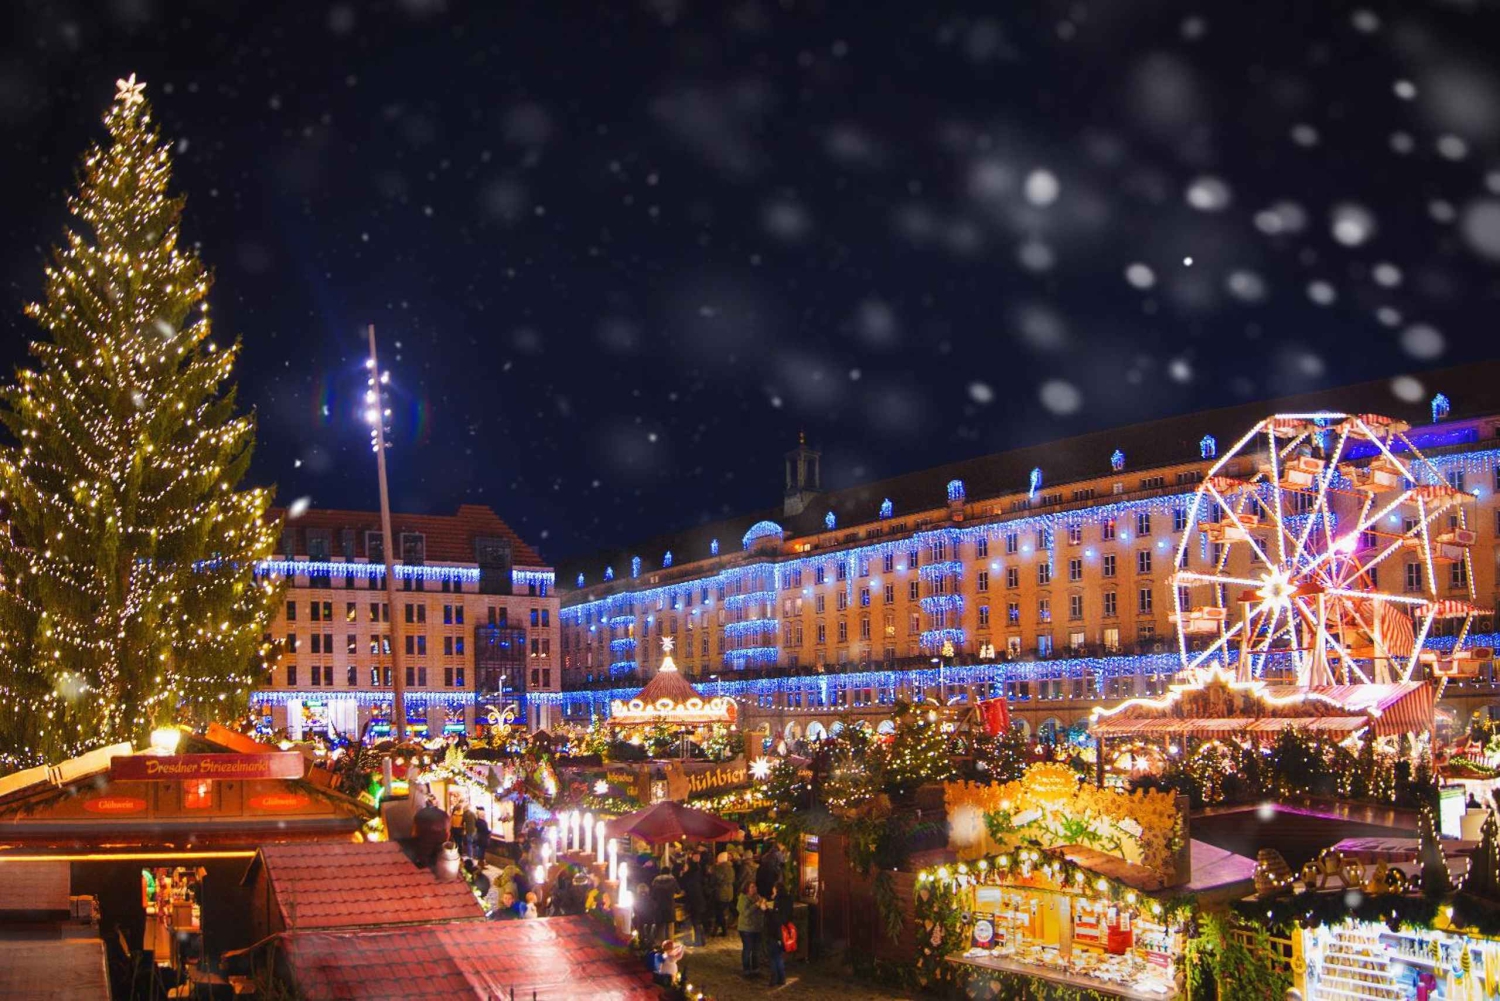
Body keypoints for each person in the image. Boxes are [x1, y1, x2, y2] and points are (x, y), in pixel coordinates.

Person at [649, 865, 682, 945]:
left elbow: (652, 895)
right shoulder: (672, 880)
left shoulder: (655, 881)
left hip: (658, 906)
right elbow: (678, 891)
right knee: (669, 927)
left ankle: (660, 945)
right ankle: (669, 945)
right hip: (669, 905)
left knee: (660, 927)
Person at [680, 854, 707, 947]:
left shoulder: (688, 876)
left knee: (695, 922)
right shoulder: (696, 874)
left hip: (694, 901)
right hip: (700, 900)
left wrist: (682, 875)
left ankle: (698, 941)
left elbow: (683, 886)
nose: (684, 867)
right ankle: (702, 940)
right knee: (698, 921)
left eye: (685, 865)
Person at [736, 883, 763, 976]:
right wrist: (756, 905)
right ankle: (746, 969)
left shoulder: (758, 897)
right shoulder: (743, 898)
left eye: (755, 886)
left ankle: (755, 968)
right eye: (752, 887)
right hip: (746, 928)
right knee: (747, 949)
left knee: (756, 949)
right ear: (747, 889)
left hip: (756, 927)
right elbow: (745, 913)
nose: (754, 888)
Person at [764, 883, 788, 988]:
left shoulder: (779, 902)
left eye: (774, 890)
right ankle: (782, 978)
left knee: (774, 956)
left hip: (775, 932)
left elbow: (775, 919)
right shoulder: (787, 900)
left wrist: (766, 911)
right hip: (782, 932)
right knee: (778, 956)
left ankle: (774, 979)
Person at [712, 851, 736, 937]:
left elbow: (717, 879)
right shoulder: (731, 868)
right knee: (721, 912)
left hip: (721, 892)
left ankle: (721, 931)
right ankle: (717, 931)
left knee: (719, 912)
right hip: (730, 892)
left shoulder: (720, 868)